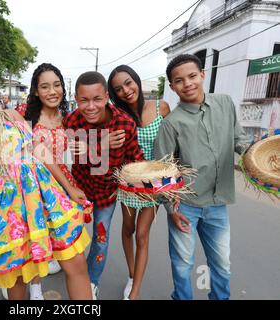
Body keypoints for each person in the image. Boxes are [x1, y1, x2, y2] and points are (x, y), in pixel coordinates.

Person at [0, 65, 92, 300]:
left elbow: (39, 150)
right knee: (18, 278)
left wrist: (70, 188)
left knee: (76, 262)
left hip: (46, 198)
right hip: (8, 212)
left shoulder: (10, 115)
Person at [154, 53, 251, 300]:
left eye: (192, 76)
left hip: (218, 204)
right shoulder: (171, 123)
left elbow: (239, 139)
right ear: (173, 87)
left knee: (221, 264)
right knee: (183, 264)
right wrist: (171, 209)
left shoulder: (225, 103)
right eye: (179, 80)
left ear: (203, 75)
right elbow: (161, 171)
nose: (187, 83)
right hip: (185, 206)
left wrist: (256, 155)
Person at [9, 63, 91, 300]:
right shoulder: (25, 115)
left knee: (69, 252)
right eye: (45, 86)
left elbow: (86, 148)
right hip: (32, 191)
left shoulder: (69, 118)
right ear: (36, 91)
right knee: (32, 246)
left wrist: (86, 147)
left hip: (62, 187)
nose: (52, 91)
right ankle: (35, 290)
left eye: (57, 85)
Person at [63, 71, 144, 299]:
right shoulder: (72, 121)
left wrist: (157, 179)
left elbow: (135, 159)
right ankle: (69, 269)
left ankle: (92, 281)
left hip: (107, 196)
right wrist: (102, 144)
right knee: (70, 236)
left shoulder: (125, 124)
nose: (90, 107)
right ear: (76, 99)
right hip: (78, 192)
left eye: (97, 99)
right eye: (83, 100)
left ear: (107, 96)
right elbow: (80, 157)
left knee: (100, 239)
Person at [108, 65, 170, 300]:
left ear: (137, 81)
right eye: (118, 89)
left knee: (142, 234)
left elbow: (173, 143)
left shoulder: (160, 107)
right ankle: (132, 273)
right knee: (129, 228)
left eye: (128, 82)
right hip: (127, 181)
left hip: (153, 184)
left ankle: (134, 291)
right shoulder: (116, 115)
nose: (126, 90)